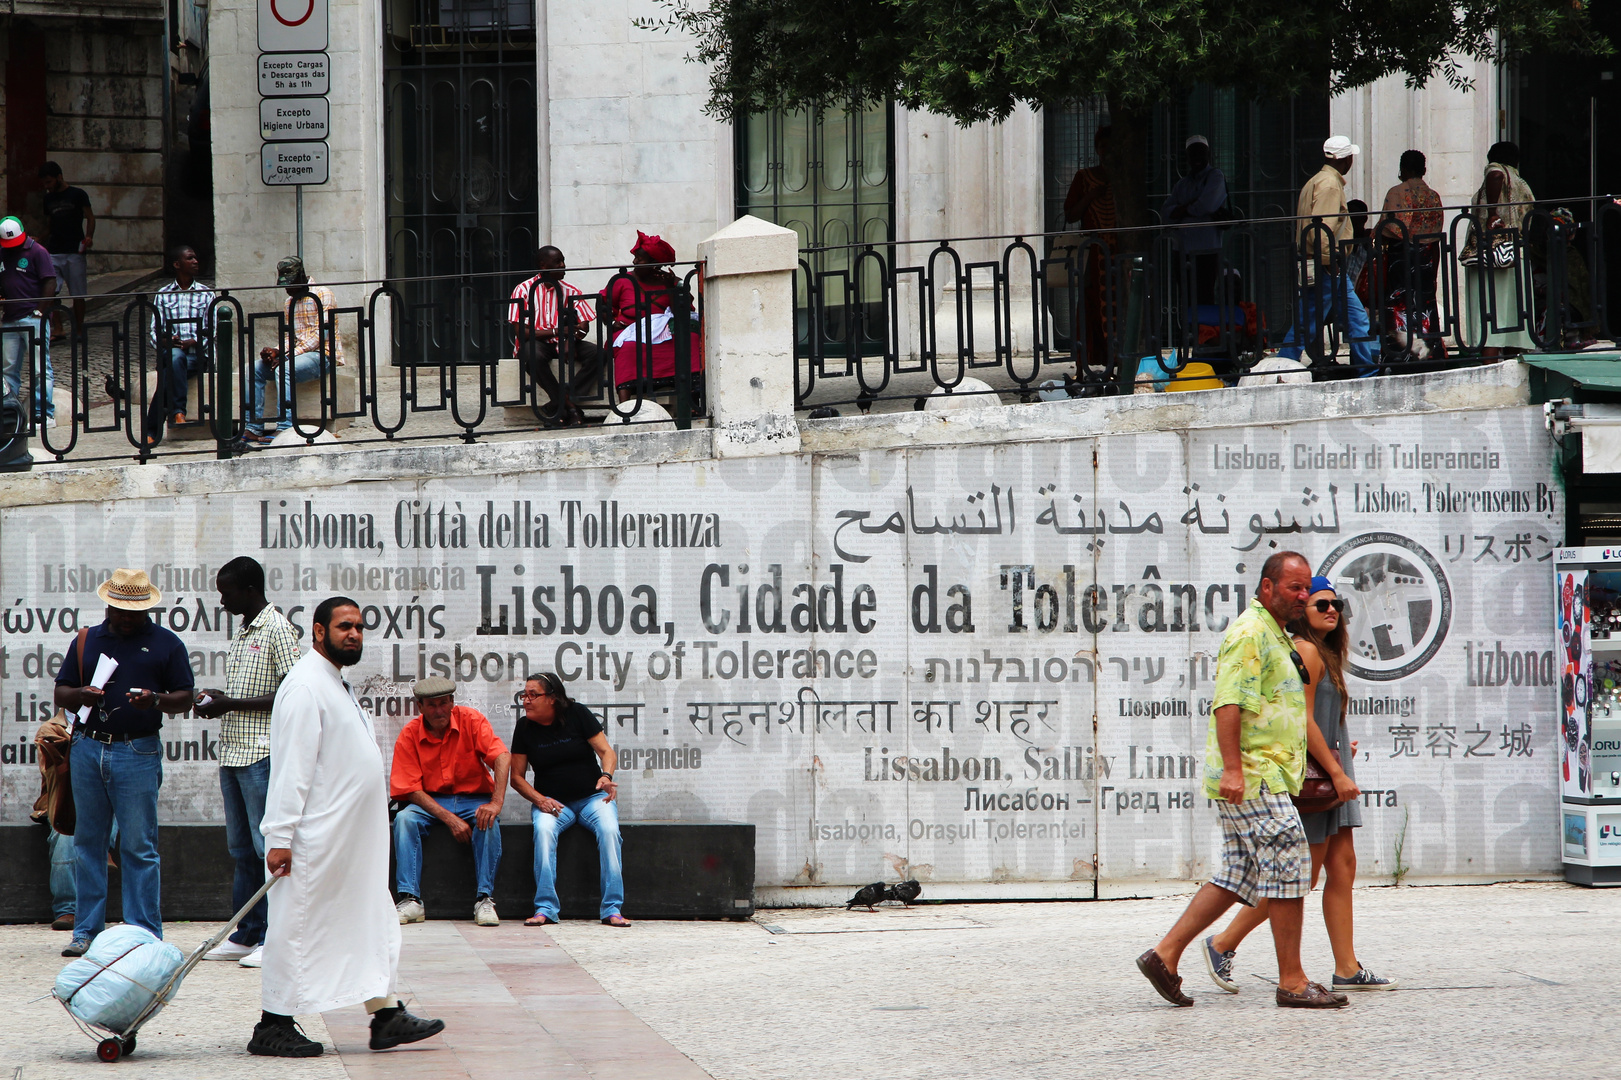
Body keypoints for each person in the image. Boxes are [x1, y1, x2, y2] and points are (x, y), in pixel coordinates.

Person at [1134, 552, 1348, 1009]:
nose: (1303, 596)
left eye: (1306, 587)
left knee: (1240, 872)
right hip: (1253, 774)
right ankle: (1292, 981)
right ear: (1267, 588)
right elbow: (1228, 703)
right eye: (1294, 588)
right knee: (1290, 864)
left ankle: (1164, 955)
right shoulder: (1251, 633)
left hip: (1258, 773)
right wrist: (1233, 768)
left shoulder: (1274, 635)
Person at [251, 597, 444, 1058]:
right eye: (344, 627)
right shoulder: (303, 687)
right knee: (293, 928)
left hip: (352, 844)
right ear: (318, 631)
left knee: (368, 922)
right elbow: (291, 770)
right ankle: (272, 1024)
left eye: (359, 626)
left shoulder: (335, 683)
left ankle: (386, 1014)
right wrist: (279, 838)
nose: (354, 634)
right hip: (314, 842)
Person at [1202, 577, 1398, 994]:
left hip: (1333, 767)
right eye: (1321, 604)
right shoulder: (1305, 650)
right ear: (1302, 613)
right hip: (1319, 776)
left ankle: (1346, 967)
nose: (1332, 610)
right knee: (1297, 877)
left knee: (1342, 867)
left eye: (1337, 604)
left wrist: (1342, 748)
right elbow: (1303, 720)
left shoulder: (1324, 653)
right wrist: (1337, 769)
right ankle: (1223, 942)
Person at [53, 569, 195, 958]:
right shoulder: (87, 640)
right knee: (88, 843)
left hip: (138, 751)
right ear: (108, 605)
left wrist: (156, 701)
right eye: (120, 610)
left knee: (139, 846)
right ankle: (86, 931)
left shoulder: (166, 643)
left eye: (135, 610)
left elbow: (186, 696)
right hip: (87, 748)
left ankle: (143, 933)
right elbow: (61, 691)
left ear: (147, 607)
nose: (127, 617)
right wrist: (81, 693)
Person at [194, 556, 299, 968]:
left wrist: (231, 703)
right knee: (241, 849)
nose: (222, 600)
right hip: (234, 752)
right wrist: (218, 699)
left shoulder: (278, 628)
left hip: (261, 753)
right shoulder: (243, 630)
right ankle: (247, 933)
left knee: (265, 849)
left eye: (227, 592)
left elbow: (293, 693)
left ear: (250, 589)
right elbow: (248, 693)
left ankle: (276, 937)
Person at [509, 673, 629, 928]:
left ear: (552, 699)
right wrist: (540, 800)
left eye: (533, 695)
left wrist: (606, 776)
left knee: (609, 831)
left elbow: (606, 752)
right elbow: (516, 778)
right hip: (552, 803)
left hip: (592, 798)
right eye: (524, 695)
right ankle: (545, 908)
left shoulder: (577, 713)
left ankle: (612, 908)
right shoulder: (524, 728)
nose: (526, 701)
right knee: (543, 832)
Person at [390, 677, 512, 927]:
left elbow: (501, 756)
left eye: (444, 704)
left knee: (488, 821)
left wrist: (496, 803)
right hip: (431, 801)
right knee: (404, 819)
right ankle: (410, 899)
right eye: (432, 705)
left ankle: (485, 899)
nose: (439, 711)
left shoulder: (471, 720)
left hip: (474, 798)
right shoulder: (410, 733)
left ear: (452, 702)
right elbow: (410, 789)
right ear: (420, 707)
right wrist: (450, 819)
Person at [1276, 136, 1376, 376]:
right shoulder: (1329, 185)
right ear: (1346, 159)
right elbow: (1321, 230)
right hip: (1326, 265)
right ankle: (1280, 368)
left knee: (1356, 318)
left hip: (1327, 265)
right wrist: (1330, 262)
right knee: (1307, 323)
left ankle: (1368, 370)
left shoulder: (1317, 181)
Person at [245, 256, 344, 445]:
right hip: (297, 355)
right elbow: (291, 337)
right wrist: (276, 351)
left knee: (284, 369)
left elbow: (319, 337)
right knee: (253, 369)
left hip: (323, 355)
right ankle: (253, 427)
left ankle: (285, 427)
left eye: (290, 283)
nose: (287, 289)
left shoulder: (323, 294)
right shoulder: (289, 303)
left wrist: (287, 357)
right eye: (284, 285)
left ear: (301, 277)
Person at [508, 245, 605, 426]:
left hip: (565, 341)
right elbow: (522, 333)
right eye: (558, 262)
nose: (563, 265)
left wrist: (572, 339)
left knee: (598, 353)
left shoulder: (571, 291)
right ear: (543, 266)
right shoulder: (523, 290)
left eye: (563, 261)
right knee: (531, 354)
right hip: (537, 343)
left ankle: (558, 404)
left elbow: (584, 325)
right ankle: (569, 406)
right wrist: (557, 331)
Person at [1462, 141, 1536, 357]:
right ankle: (1511, 365)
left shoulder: (1496, 171)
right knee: (1513, 319)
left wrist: (1492, 212)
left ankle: (1490, 366)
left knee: (1490, 317)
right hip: (1515, 253)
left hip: (1491, 255)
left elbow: (1495, 175)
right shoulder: (1521, 182)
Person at [607, 231, 701, 400]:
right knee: (629, 347)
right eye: (635, 257)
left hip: (664, 333)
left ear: (654, 264)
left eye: (640, 259)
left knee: (691, 339)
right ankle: (624, 407)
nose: (634, 262)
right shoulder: (622, 281)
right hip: (628, 332)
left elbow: (685, 312)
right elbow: (604, 306)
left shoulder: (674, 281)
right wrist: (611, 321)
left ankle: (691, 402)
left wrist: (671, 289)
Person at [1062, 125, 1117, 369]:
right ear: (1097, 150)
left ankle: (1119, 362)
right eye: (1103, 147)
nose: (1106, 152)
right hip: (1093, 256)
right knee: (1089, 307)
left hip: (1118, 255)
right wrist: (1091, 196)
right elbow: (1070, 214)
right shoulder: (1084, 178)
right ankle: (1087, 366)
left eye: (1111, 147)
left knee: (1118, 306)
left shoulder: (1124, 179)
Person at [147, 245, 215, 436]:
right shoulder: (163, 294)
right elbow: (154, 330)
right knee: (176, 356)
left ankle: (151, 432)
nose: (196, 261)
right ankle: (178, 412)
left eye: (195, 258)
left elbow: (213, 330)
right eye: (190, 258)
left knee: (173, 368)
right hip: (173, 353)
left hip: (198, 357)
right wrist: (166, 341)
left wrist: (193, 342)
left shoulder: (206, 293)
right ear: (177, 264)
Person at [0, 214, 56, 425]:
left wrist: (40, 312)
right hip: (10, 318)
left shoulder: (37, 252)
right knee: (8, 369)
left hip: (32, 317)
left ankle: (44, 413)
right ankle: (9, 413)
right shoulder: (2, 253)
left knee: (41, 368)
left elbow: (50, 281)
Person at [1161, 135, 1229, 303]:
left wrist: (1182, 209)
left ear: (1208, 154)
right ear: (1187, 157)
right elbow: (1165, 214)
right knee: (1186, 299)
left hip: (1207, 250)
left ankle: (1205, 330)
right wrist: (1191, 206)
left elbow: (1207, 205)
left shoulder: (1216, 177)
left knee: (1205, 298)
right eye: (1193, 154)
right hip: (1182, 251)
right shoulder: (1182, 185)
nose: (1197, 158)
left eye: (1201, 153)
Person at [38, 161, 93, 341]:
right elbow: (49, 224)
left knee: (78, 293)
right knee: (50, 289)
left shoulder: (78, 195)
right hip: (54, 250)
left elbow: (90, 218)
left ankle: (78, 330)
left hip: (74, 251)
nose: (47, 187)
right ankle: (58, 328)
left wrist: (89, 237)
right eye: (45, 183)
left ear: (59, 177)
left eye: (49, 182)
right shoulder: (48, 199)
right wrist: (40, 239)